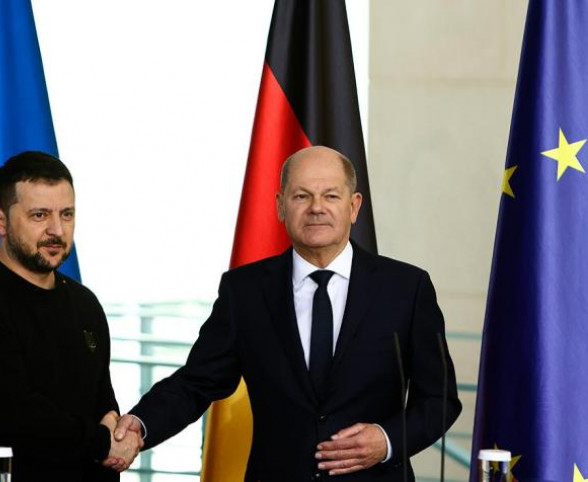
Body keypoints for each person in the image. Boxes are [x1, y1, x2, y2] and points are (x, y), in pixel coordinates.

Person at [114, 146, 462, 481]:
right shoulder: (245, 291)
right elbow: (196, 383)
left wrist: (387, 441)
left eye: (330, 195)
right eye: (301, 196)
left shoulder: (406, 288)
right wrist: (140, 424)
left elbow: (439, 399)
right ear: (281, 206)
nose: (316, 208)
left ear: (354, 206)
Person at [0, 151, 140, 481]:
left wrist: (117, 434)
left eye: (66, 214)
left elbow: (103, 407)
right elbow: (12, 417)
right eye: (39, 215)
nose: (56, 230)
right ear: (0, 221)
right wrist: (101, 442)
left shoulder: (85, 305)